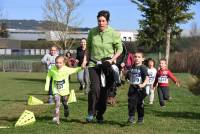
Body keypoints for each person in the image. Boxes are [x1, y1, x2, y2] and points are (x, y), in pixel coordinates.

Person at [82, 10, 123, 123]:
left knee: (104, 92)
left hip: (107, 66)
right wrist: (85, 60)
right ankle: (91, 112)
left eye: (103, 21)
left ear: (107, 21)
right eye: (99, 20)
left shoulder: (113, 33)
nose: (101, 23)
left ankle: (100, 114)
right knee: (95, 89)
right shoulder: (92, 32)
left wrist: (112, 60)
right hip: (93, 64)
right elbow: (88, 48)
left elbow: (120, 49)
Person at [44, 56, 82, 125]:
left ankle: (66, 108)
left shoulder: (66, 69)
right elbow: (48, 76)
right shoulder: (52, 69)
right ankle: (56, 117)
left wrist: (81, 68)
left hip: (64, 90)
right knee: (57, 104)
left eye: (60, 63)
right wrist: (47, 86)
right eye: (56, 63)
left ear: (64, 63)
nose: (58, 64)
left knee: (64, 102)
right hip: (56, 90)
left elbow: (74, 70)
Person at [127, 51, 149, 125]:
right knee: (131, 102)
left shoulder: (143, 67)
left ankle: (140, 118)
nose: (136, 58)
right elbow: (129, 75)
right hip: (132, 88)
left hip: (140, 89)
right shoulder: (132, 67)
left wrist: (143, 85)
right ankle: (131, 117)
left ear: (143, 59)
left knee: (139, 104)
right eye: (135, 57)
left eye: (139, 57)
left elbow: (147, 78)